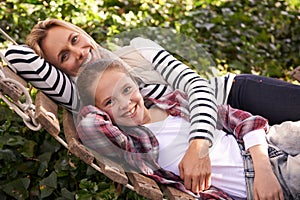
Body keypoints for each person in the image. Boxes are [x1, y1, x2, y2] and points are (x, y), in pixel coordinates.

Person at [22, 19, 300, 193]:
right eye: (64, 56)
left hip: (233, 97)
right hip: (238, 144)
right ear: (59, 70)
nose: (79, 52)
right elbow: (19, 58)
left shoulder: (137, 48)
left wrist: (198, 145)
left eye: (74, 39)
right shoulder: (88, 100)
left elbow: (197, 87)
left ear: (81, 32)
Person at [76, 59, 299, 199]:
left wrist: (263, 169)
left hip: (268, 143)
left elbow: (241, 120)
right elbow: (89, 124)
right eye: (109, 102)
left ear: (137, 84)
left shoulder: (174, 101)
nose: (125, 103)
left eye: (126, 89)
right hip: (261, 182)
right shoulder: (137, 146)